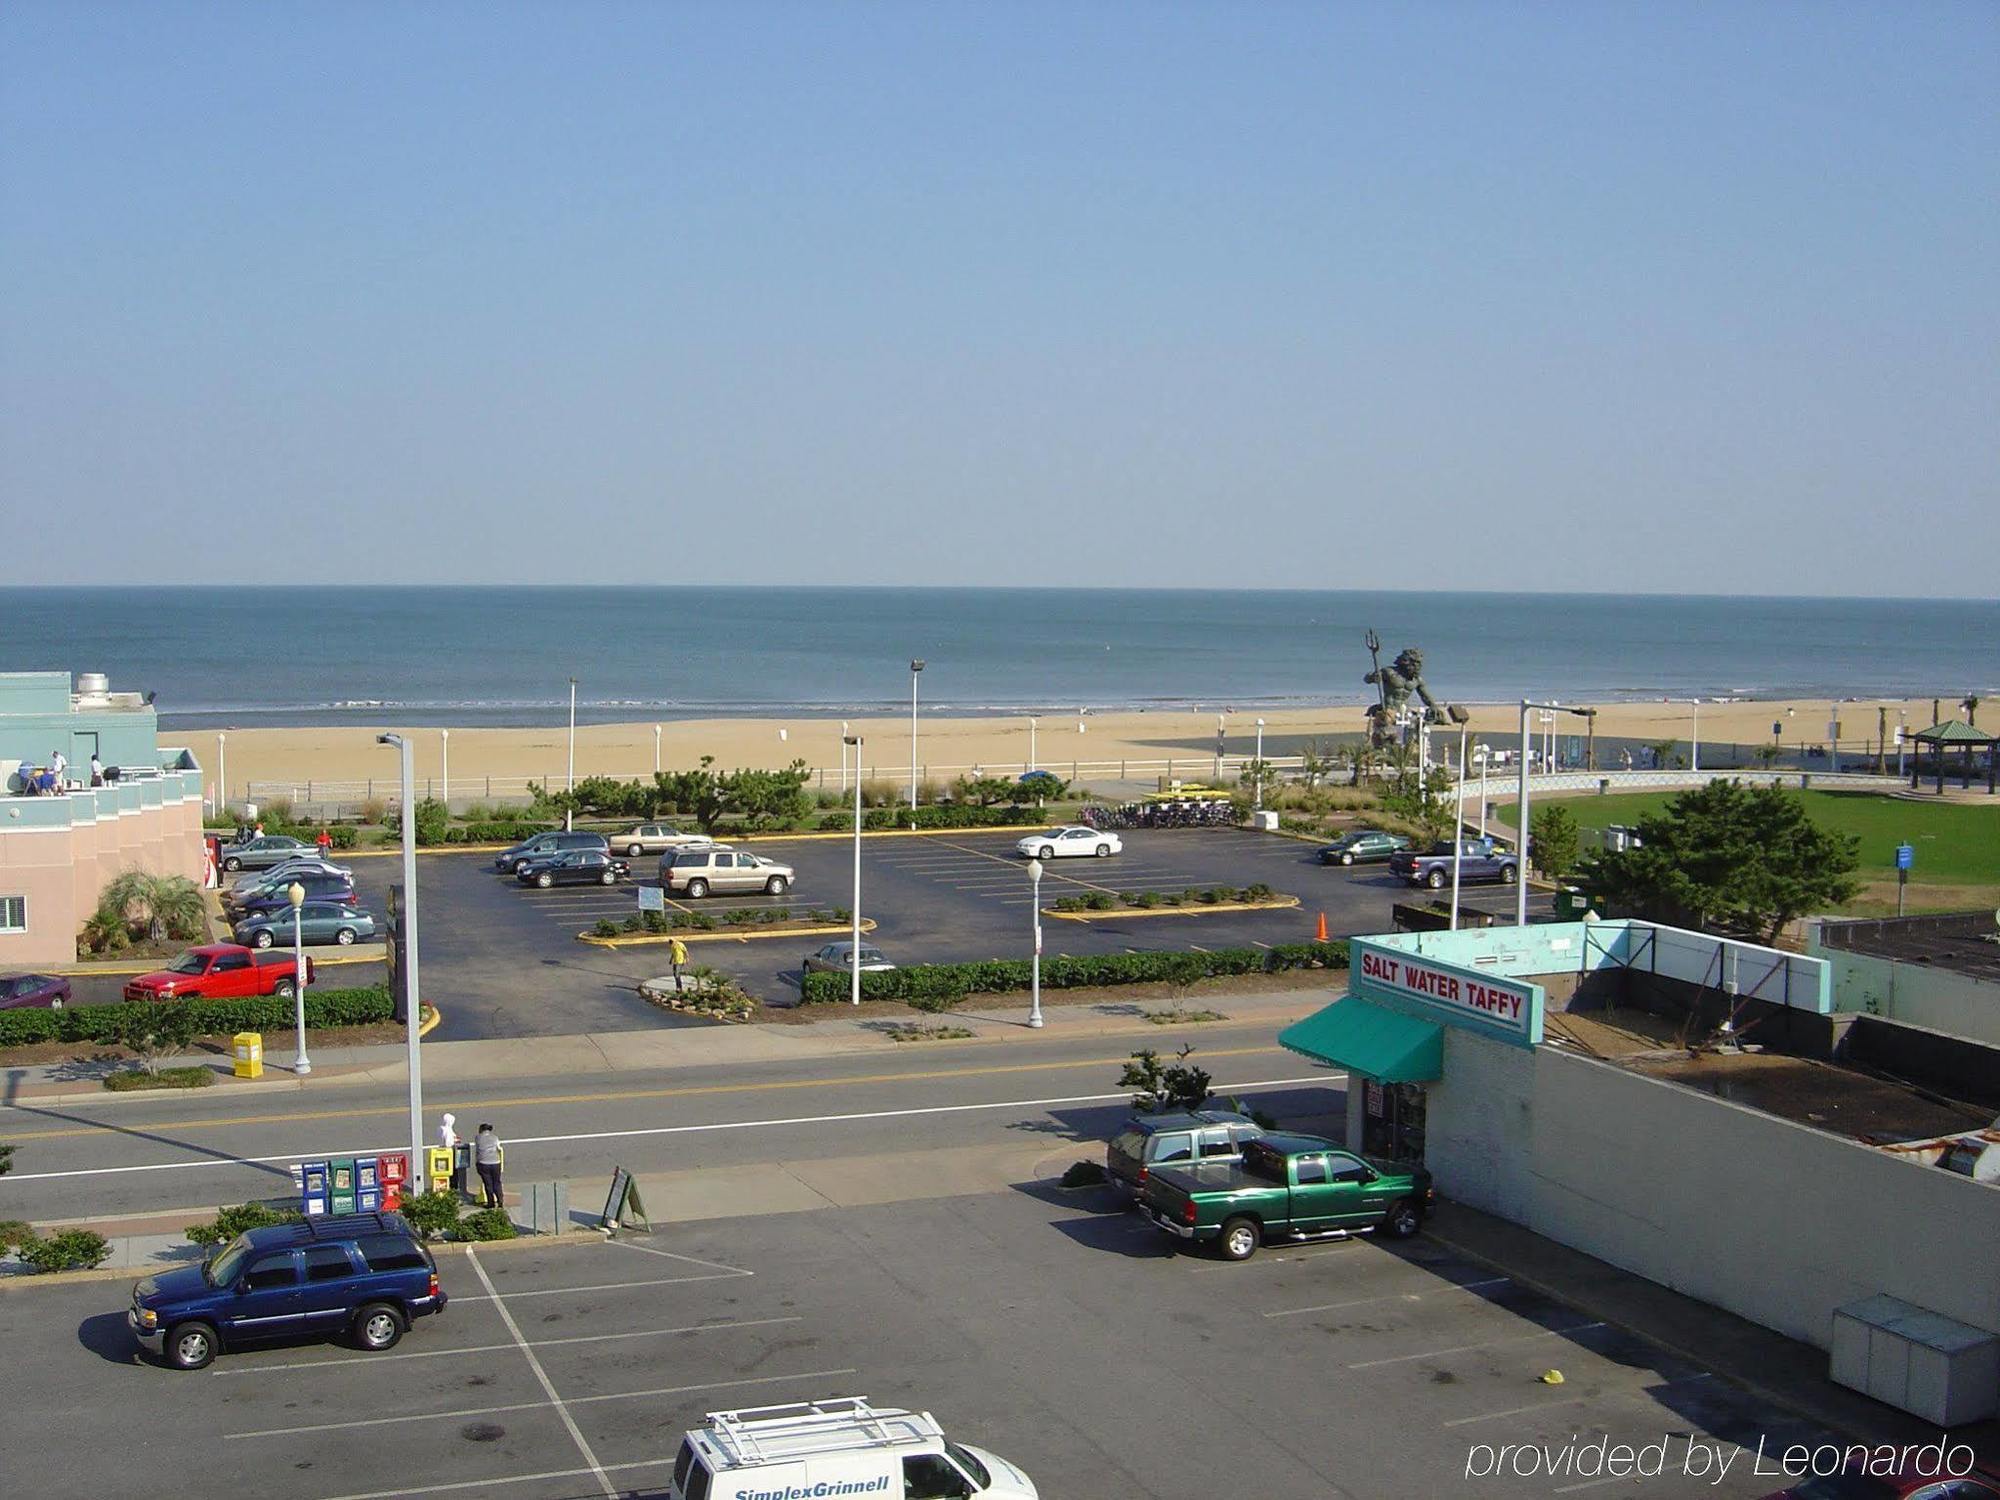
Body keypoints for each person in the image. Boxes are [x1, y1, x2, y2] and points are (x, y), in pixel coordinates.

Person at [473, 1123, 503, 1209]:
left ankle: (491, 1202)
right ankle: (500, 1201)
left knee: (488, 1183)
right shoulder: (495, 1137)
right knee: (497, 1182)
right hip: (495, 1162)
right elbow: (499, 1148)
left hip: (483, 1163)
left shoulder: (478, 1137)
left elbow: (478, 1149)